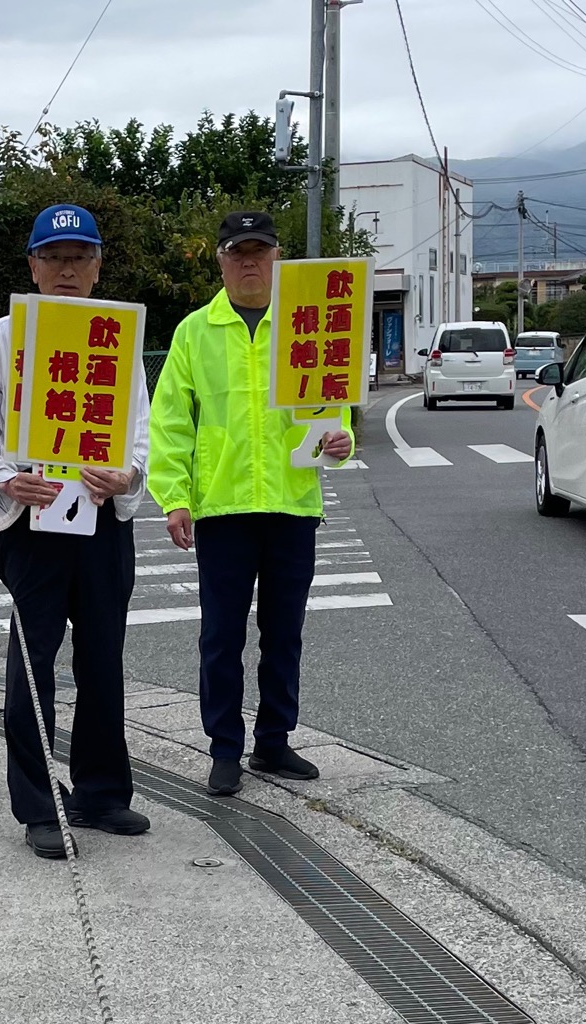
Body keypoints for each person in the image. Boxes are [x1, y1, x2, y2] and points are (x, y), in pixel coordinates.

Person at [0, 204, 151, 858]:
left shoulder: (116, 337)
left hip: (100, 522)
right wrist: (9, 478)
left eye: (80, 259)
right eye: (54, 259)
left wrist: (127, 477)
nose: (67, 270)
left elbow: (140, 430)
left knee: (102, 660)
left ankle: (101, 794)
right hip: (31, 525)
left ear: (97, 268)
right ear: (33, 267)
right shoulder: (1, 337)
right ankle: (40, 807)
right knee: (31, 663)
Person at [147, 211, 354, 797]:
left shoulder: (306, 325)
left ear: (277, 259)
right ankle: (224, 748)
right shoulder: (195, 332)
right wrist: (175, 498)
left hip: (292, 504)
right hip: (223, 509)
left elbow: (333, 415)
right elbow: (170, 424)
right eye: (238, 252)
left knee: (284, 632)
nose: (249, 263)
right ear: (221, 260)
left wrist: (342, 442)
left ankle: (273, 741)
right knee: (220, 637)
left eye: (259, 252)